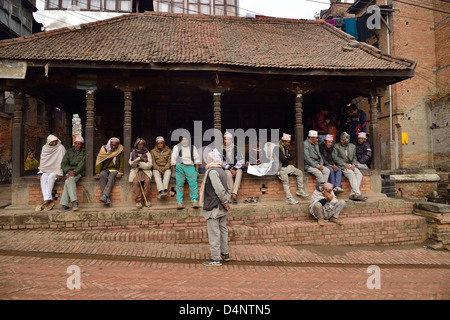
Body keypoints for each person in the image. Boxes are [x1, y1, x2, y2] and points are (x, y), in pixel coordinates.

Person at [199, 148, 231, 267]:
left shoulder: (212, 171)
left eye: (208, 158)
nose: (206, 160)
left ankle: (216, 258)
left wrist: (224, 201)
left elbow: (219, 189)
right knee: (222, 230)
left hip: (214, 206)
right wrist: (226, 202)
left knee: (214, 232)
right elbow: (228, 188)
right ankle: (225, 253)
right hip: (221, 206)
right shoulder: (221, 170)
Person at [332, 132, 367, 201]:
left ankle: (352, 194)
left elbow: (354, 157)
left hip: (351, 165)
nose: (342, 141)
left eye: (344, 140)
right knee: (351, 174)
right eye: (341, 139)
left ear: (347, 140)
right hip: (343, 166)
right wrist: (343, 164)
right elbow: (335, 157)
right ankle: (358, 193)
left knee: (359, 174)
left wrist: (354, 164)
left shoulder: (352, 146)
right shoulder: (336, 146)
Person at [275, 133, 308, 205]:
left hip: (287, 166)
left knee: (299, 173)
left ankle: (300, 190)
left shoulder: (286, 148)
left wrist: (286, 157)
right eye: (288, 142)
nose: (289, 144)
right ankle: (289, 198)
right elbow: (282, 159)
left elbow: (291, 157)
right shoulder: (277, 148)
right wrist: (286, 157)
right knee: (286, 182)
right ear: (284, 141)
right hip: (280, 168)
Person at [35, 134, 66, 212]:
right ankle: (47, 198)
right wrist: (41, 172)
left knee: (51, 177)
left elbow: (62, 160)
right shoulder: (45, 148)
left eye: (55, 141)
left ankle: (47, 199)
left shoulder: (60, 148)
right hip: (46, 170)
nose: (54, 143)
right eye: (52, 142)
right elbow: (43, 161)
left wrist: (60, 172)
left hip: (56, 170)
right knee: (44, 177)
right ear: (48, 142)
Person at [171, 136, 200, 209]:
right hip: (180, 167)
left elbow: (196, 159)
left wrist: (197, 171)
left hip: (190, 167)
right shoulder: (177, 147)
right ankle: (179, 202)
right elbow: (173, 159)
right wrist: (173, 171)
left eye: (186, 139)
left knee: (193, 184)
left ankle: (194, 201)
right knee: (179, 184)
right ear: (181, 140)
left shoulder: (193, 147)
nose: (185, 141)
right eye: (183, 140)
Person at [58, 136, 86, 212]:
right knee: (68, 181)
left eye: (79, 144)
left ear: (82, 145)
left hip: (79, 172)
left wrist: (75, 172)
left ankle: (66, 204)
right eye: (75, 144)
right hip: (70, 171)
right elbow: (64, 163)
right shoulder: (70, 151)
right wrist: (68, 171)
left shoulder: (84, 152)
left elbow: (82, 164)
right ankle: (74, 202)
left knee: (69, 180)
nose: (77, 145)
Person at [94, 137, 124, 205]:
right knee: (102, 175)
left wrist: (120, 172)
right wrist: (97, 173)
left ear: (118, 145)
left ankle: (104, 196)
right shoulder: (104, 150)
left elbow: (122, 161)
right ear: (109, 144)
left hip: (115, 169)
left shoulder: (121, 150)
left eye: (115, 145)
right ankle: (107, 197)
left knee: (111, 177)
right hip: (106, 169)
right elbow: (99, 161)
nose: (113, 147)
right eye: (112, 145)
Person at [129, 138, 153, 209]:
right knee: (136, 182)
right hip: (136, 171)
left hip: (145, 171)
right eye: (139, 144)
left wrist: (141, 165)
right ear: (136, 145)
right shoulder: (133, 152)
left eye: (142, 144)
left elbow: (150, 164)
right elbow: (131, 163)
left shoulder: (147, 153)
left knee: (147, 181)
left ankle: (146, 200)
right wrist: (136, 161)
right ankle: (138, 201)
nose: (140, 146)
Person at [222, 132, 244, 205]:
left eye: (228, 140)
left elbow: (241, 160)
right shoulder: (221, 149)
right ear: (224, 140)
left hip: (236, 167)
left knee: (239, 172)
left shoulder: (236, 148)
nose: (227, 141)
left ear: (231, 140)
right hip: (227, 168)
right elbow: (222, 162)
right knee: (227, 174)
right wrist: (229, 168)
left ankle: (234, 193)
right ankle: (232, 193)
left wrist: (234, 168)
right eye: (225, 139)